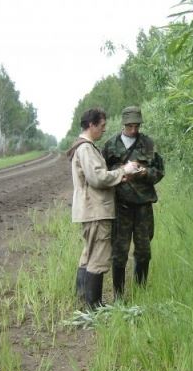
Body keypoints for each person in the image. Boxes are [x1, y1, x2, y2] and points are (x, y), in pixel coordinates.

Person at [67, 107, 142, 309]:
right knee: (98, 258)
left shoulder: (82, 147)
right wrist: (122, 171)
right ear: (91, 125)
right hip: (95, 210)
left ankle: (83, 299)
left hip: (89, 210)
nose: (104, 130)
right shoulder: (86, 149)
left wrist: (119, 174)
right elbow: (97, 177)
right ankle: (94, 306)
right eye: (101, 126)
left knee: (88, 255)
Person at [102, 106, 164, 298]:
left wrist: (145, 172)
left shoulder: (148, 144)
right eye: (130, 126)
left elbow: (159, 172)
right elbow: (102, 174)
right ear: (123, 124)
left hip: (143, 206)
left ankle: (141, 292)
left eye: (137, 125)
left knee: (144, 251)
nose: (134, 129)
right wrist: (121, 170)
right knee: (119, 254)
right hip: (121, 206)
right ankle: (119, 296)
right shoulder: (110, 145)